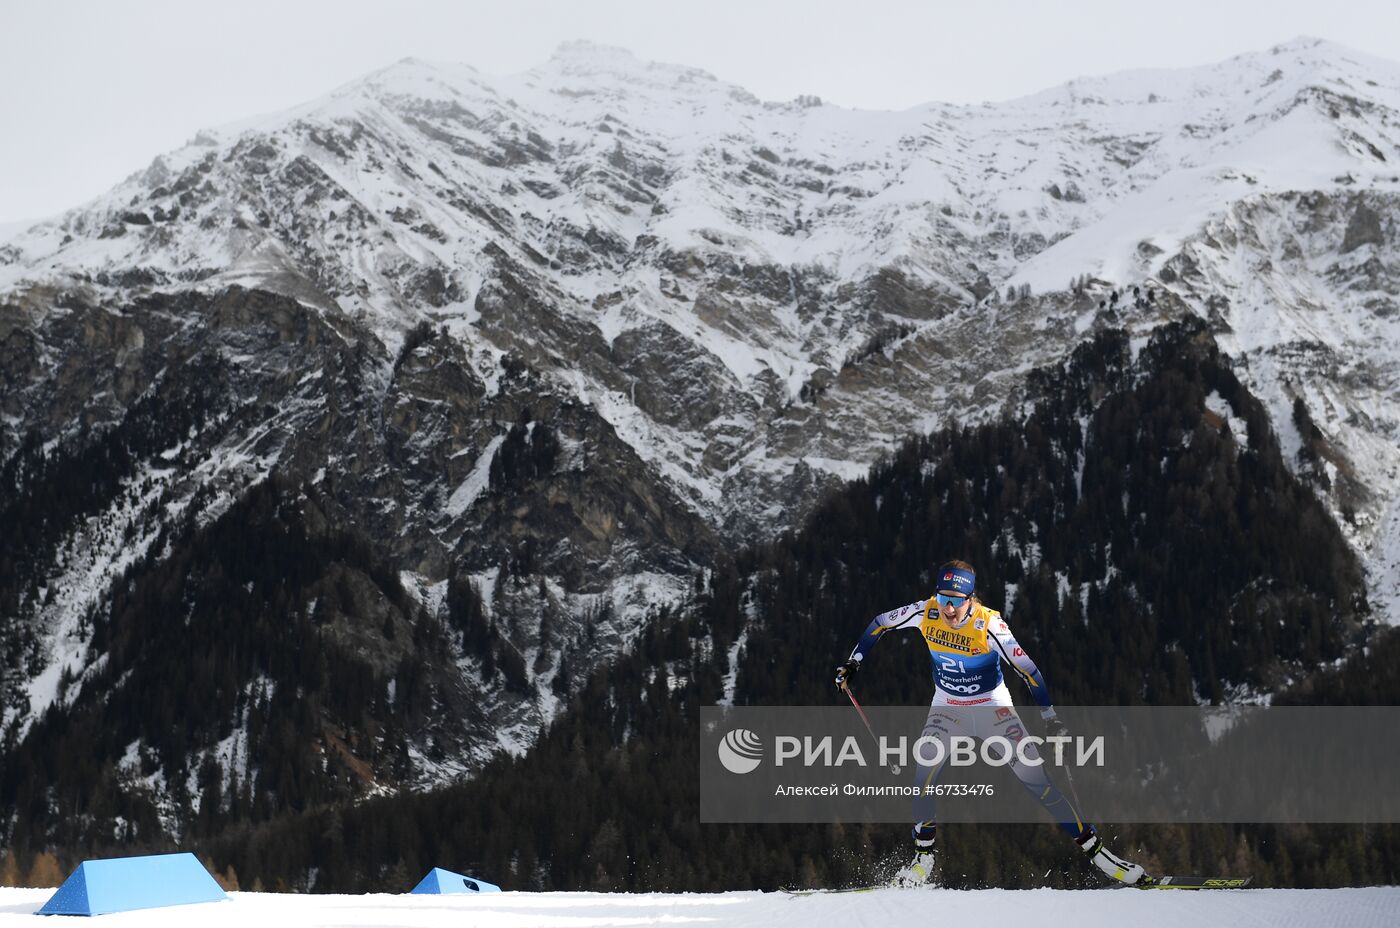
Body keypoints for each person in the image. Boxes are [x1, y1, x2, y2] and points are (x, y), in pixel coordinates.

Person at [834, 559, 1145, 887]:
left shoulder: (989, 626)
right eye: (943, 598)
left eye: (956, 600)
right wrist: (854, 662)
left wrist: (1050, 718)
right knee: (923, 772)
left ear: (970, 599)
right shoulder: (926, 611)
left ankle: (1099, 854)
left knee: (1037, 781)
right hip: (948, 707)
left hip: (992, 708)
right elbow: (879, 623)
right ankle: (923, 858)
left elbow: (1030, 671)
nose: (948, 609)